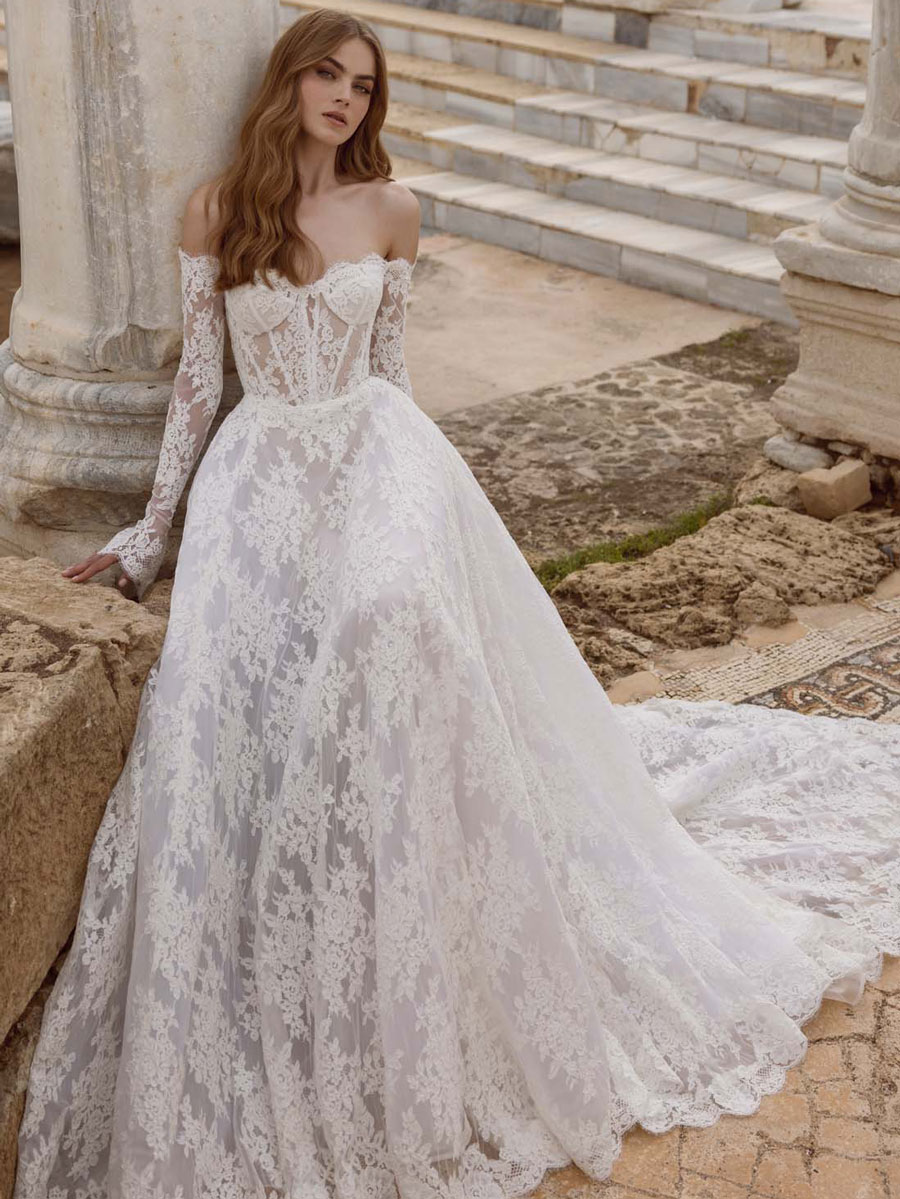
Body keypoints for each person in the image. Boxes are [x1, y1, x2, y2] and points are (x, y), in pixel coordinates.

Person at [14, 8, 899, 1199]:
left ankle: (428, 893)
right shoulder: (220, 210)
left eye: (364, 84)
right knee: (249, 692)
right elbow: (195, 387)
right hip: (259, 473)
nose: (344, 97)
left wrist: (422, 500)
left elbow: (391, 378)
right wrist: (145, 535)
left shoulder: (393, 210)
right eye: (326, 73)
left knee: (392, 615)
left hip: (379, 455)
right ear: (290, 80)